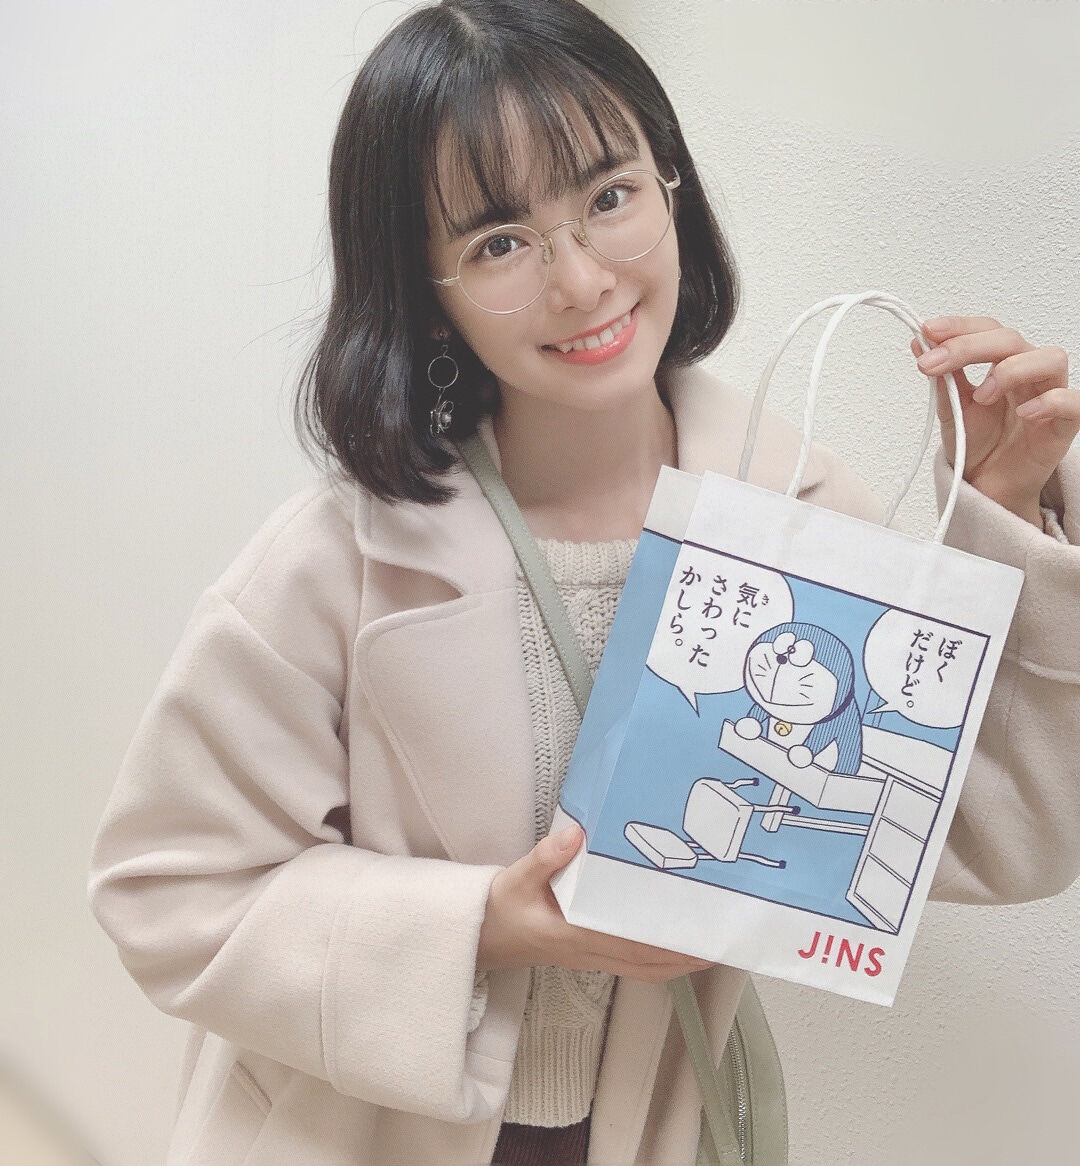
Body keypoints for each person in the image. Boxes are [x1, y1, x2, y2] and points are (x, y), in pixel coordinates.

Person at [86, 2, 1080, 1163]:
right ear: (422, 287)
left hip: (647, 1123)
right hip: (356, 1128)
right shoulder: (331, 560)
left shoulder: (796, 513)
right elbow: (165, 890)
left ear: (672, 187)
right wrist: (482, 925)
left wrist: (1006, 508)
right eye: (498, 242)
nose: (581, 280)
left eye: (610, 196)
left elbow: (993, 833)